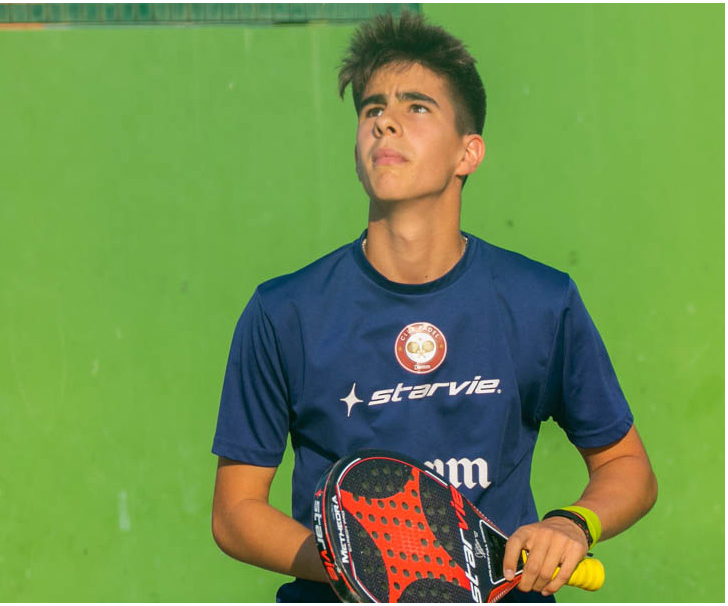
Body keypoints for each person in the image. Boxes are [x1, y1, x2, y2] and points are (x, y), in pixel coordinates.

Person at [210, 12, 656, 603]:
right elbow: (235, 512)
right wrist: (367, 570)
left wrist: (573, 523)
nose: (385, 122)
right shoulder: (283, 311)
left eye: (416, 107)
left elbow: (628, 467)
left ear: (468, 153)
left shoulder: (541, 300)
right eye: (372, 110)